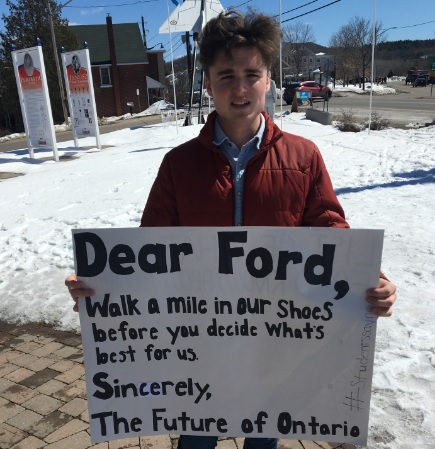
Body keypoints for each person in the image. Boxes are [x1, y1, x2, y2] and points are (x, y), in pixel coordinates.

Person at [66, 10, 397, 449]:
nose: (239, 88)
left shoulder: (303, 158)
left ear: (268, 79)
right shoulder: (179, 165)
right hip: (199, 350)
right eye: (226, 75)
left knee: (263, 442)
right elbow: (146, 252)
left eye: (251, 74)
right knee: (197, 443)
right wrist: (100, 287)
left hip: (274, 343)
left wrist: (370, 282)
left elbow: (332, 238)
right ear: (207, 83)